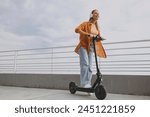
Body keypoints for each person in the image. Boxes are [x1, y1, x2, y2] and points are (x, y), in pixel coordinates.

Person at [74, 9, 107, 88]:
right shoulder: (85, 24)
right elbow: (77, 30)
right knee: (85, 64)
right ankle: (84, 83)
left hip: (92, 47)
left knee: (90, 66)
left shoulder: (97, 28)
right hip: (84, 45)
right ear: (91, 15)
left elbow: (96, 37)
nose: (97, 15)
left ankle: (88, 84)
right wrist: (88, 34)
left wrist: (100, 38)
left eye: (98, 14)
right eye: (95, 13)